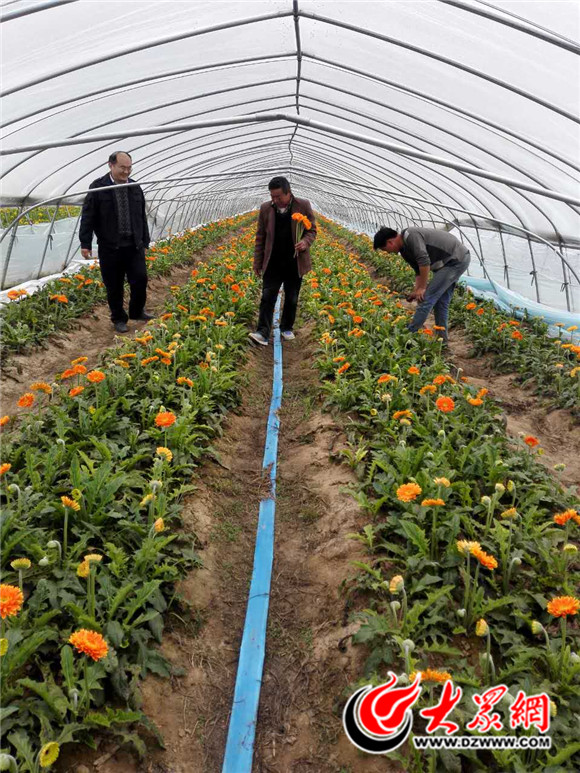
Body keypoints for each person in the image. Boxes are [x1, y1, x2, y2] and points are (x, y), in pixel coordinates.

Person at [79, 151, 152, 333]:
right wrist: (85, 243)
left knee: (140, 278)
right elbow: (88, 216)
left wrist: (145, 241)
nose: (126, 172)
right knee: (114, 284)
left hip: (134, 245)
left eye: (129, 168)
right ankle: (119, 318)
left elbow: (141, 216)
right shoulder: (98, 187)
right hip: (110, 247)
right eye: (122, 168)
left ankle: (136, 311)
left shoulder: (135, 187)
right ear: (110, 165)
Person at [249, 176, 317, 345]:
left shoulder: (303, 205)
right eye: (272, 196)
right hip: (272, 261)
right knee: (267, 297)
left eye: (279, 196)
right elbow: (260, 237)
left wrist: (305, 242)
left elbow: (312, 230)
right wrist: (257, 262)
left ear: (289, 193)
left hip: (295, 261)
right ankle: (262, 333)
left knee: (292, 296)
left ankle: (287, 327)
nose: (275, 200)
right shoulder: (266, 209)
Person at [373, 226, 470, 341]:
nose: (388, 253)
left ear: (390, 242)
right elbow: (418, 270)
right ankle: (442, 341)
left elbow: (424, 262)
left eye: (385, 250)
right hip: (449, 262)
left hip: (455, 259)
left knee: (426, 298)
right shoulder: (404, 250)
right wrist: (416, 290)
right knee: (441, 303)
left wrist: (422, 288)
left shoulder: (411, 235)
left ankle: (408, 335)